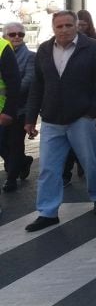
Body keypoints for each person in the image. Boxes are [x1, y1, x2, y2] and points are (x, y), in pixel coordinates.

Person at [23, 11, 96, 231]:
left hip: (81, 118)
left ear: (76, 26)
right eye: (59, 26)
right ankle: (48, 212)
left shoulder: (91, 47)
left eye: (68, 25)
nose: (64, 30)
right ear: (53, 28)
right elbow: (37, 86)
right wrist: (30, 118)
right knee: (48, 168)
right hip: (52, 119)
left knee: (89, 163)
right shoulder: (44, 49)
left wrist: (91, 112)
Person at [0, 22, 29, 193]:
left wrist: (9, 110)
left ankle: (11, 177)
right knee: (4, 144)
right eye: (13, 34)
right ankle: (21, 163)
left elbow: (17, 82)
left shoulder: (4, 48)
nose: (17, 37)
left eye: (20, 34)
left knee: (15, 143)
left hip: (16, 108)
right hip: (9, 107)